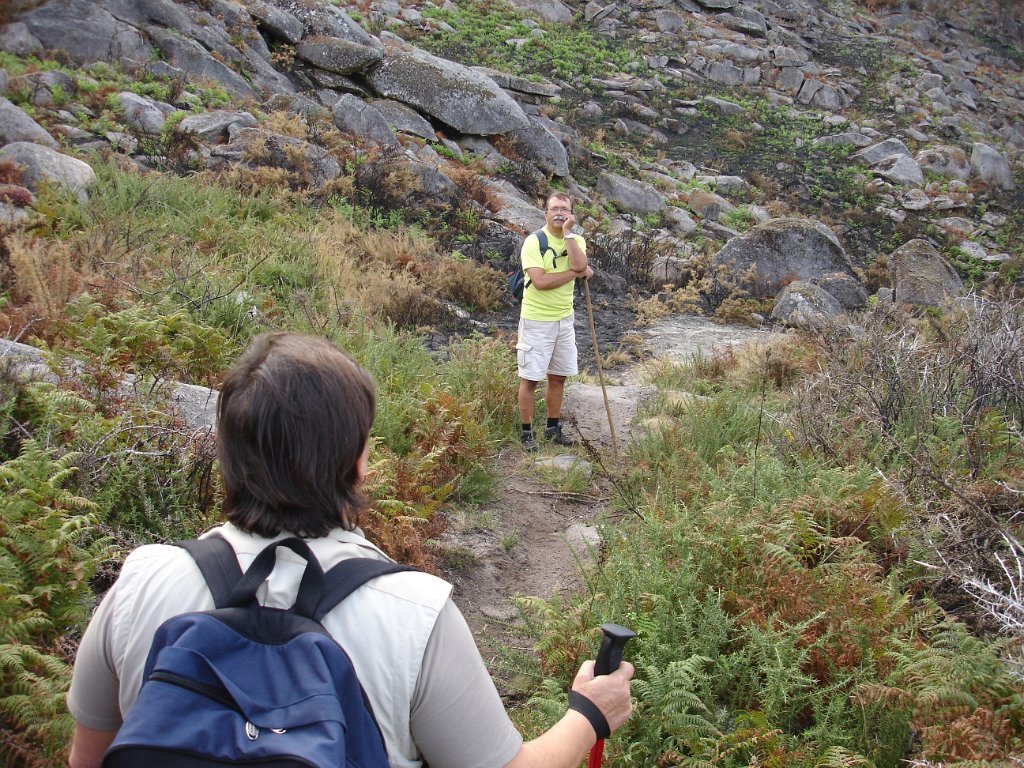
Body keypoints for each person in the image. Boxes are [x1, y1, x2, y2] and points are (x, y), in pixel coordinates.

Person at [66, 332, 633, 768]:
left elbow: (89, 756)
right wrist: (589, 713)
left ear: (226, 454)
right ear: (359, 462)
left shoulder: (142, 582)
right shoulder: (416, 614)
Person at [516, 191, 594, 452]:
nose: (560, 213)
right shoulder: (533, 242)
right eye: (555, 209)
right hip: (536, 320)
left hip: (564, 320)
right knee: (530, 379)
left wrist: (569, 235)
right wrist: (575, 272)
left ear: (571, 214)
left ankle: (552, 429)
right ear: (546, 213)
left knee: (558, 377)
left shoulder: (576, 240)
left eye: (565, 209)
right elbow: (540, 281)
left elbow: (581, 262)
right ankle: (527, 434)